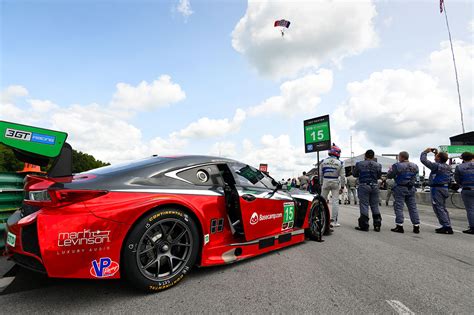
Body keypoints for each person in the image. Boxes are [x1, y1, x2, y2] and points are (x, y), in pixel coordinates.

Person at [420, 148, 453, 234]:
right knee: (442, 207)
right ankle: (446, 224)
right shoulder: (447, 167)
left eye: (436, 157)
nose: (435, 158)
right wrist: (436, 154)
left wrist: (426, 152)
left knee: (438, 207)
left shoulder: (436, 166)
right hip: (444, 188)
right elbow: (439, 161)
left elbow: (423, 160)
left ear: (438, 158)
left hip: (437, 189)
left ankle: (446, 226)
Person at [387, 151, 420, 233]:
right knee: (413, 207)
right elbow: (416, 176)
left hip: (400, 187)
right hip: (411, 188)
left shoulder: (397, 165)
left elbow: (390, 175)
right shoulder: (415, 166)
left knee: (399, 207)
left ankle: (399, 225)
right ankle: (416, 226)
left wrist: (390, 171)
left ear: (401, 157)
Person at [354, 149, 382, 232]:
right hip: (374, 185)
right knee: (374, 205)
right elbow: (378, 176)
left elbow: (355, 174)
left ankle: (364, 225)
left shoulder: (359, 164)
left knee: (364, 205)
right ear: (373, 156)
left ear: (365, 156)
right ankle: (377, 225)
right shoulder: (378, 165)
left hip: (364, 185)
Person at [320, 144, 345, 227]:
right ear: (337, 152)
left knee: (322, 201)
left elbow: (320, 174)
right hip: (335, 182)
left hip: (325, 181)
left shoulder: (323, 161)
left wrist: (321, 183)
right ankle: (334, 221)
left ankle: (321, 219)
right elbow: (342, 176)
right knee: (335, 202)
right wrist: (342, 187)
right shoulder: (340, 163)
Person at [454, 152, 474, 234]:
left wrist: (461, 185)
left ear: (463, 159)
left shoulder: (459, 167)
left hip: (467, 189)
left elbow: (457, 179)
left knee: (470, 209)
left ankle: (472, 227)